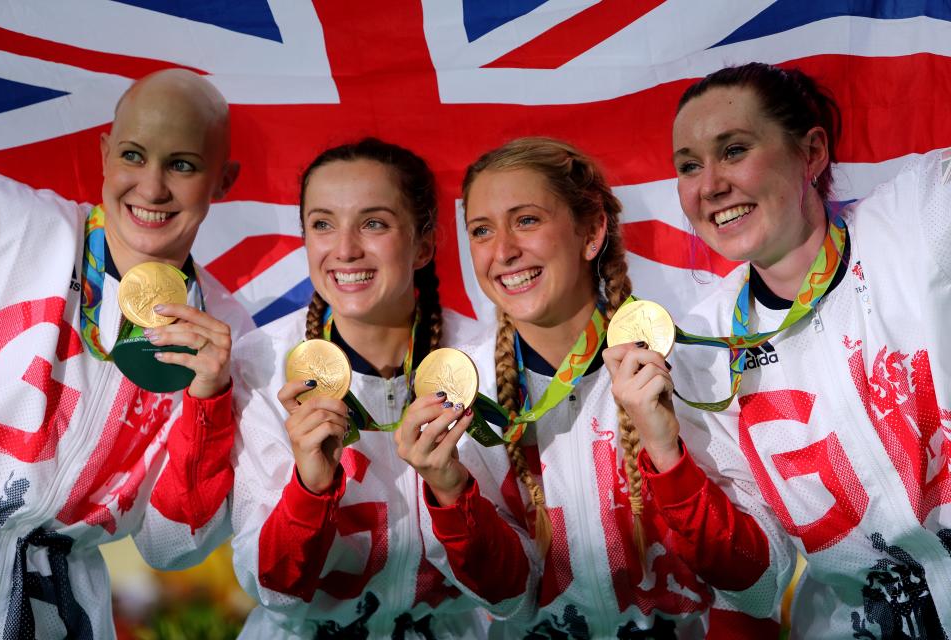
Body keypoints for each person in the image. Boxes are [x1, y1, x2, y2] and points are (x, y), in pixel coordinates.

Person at [608, 61, 951, 637]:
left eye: (734, 150)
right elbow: (756, 580)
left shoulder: (920, 217)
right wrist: (666, 454)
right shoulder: (702, 354)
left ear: (811, 152)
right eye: (689, 166)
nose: (710, 184)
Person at [396, 136, 783, 638]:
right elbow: (510, 602)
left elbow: (758, 586)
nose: (504, 251)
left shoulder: (684, 364)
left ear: (592, 231)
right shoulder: (463, 393)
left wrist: (667, 456)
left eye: (527, 220)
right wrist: (451, 494)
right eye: (481, 230)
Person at [0, 68, 253, 638]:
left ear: (224, 180)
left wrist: (209, 402)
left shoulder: (230, 334)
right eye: (134, 155)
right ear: (106, 153)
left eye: (182, 165)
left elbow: (169, 546)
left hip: (59, 610)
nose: (153, 187)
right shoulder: (13, 225)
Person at [230, 138, 502, 638]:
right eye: (322, 224)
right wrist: (310, 489)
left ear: (424, 244)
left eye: (374, 223)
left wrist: (451, 489)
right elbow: (273, 589)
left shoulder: (485, 359)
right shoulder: (262, 361)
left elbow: (509, 587)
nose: (346, 248)